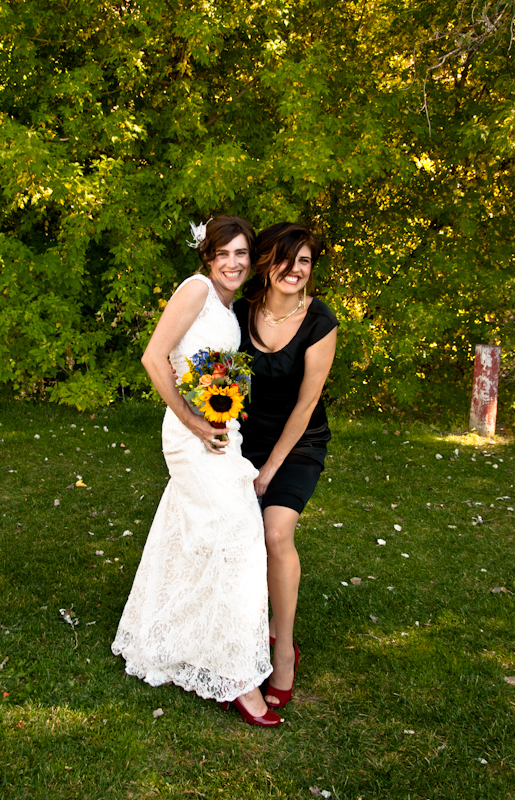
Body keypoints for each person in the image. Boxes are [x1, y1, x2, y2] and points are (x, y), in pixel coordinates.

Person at [111, 216, 280, 727]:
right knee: (240, 537)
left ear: (251, 261)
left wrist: (221, 408)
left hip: (220, 432)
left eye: (241, 254)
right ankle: (239, 680)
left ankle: (174, 639)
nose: (233, 263)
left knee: (197, 536)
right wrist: (192, 422)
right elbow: (154, 357)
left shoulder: (229, 307)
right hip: (191, 435)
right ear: (208, 256)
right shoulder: (197, 290)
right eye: (223, 253)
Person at [234, 222, 338, 709]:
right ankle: (236, 634)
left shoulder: (320, 321)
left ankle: (283, 650)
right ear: (266, 263)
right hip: (242, 441)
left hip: (298, 445)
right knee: (237, 538)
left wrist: (270, 470)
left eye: (304, 262)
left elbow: (306, 402)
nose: (294, 270)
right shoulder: (240, 312)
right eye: (285, 259)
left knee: (276, 533)